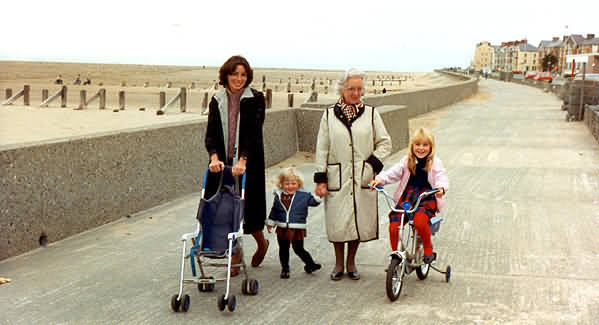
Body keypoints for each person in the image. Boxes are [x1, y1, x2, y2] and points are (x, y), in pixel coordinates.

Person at [314, 68, 392, 281]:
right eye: (351, 89)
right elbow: (322, 148)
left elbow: (385, 143)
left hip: (362, 177)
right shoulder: (329, 115)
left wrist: (371, 165)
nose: (356, 93)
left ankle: (351, 262)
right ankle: (339, 263)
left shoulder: (371, 114)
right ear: (342, 89)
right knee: (338, 222)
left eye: (359, 89)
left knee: (358, 221)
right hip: (337, 177)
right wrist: (320, 179)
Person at [204, 55, 268, 276]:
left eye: (243, 74)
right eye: (234, 74)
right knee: (226, 210)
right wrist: (213, 156)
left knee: (251, 212)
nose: (239, 78)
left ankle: (261, 243)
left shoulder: (256, 98)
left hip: (248, 161)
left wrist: (243, 159)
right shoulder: (217, 99)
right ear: (226, 75)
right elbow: (211, 131)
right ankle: (235, 254)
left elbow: (254, 132)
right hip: (223, 163)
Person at [370, 128, 449, 264]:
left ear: (431, 147)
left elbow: (441, 177)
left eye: (425, 145)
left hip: (426, 196)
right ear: (412, 146)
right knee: (395, 222)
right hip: (409, 195)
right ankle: (396, 253)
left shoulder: (435, 162)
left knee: (419, 221)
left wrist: (441, 188)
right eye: (417, 145)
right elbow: (392, 173)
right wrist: (380, 179)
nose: (421, 148)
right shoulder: (407, 160)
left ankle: (428, 249)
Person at [266, 168, 322, 279]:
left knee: (299, 248)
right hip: (282, 227)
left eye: (293, 183)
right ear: (281, 184)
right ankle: (285, 269)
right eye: (287, 183)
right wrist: (270, 223)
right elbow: (275, 210)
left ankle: (310, 264)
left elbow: (314, 202)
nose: (290, 186)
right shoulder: (279, 196)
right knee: (283, 249)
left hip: (297, 228)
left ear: (299, 184)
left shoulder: (303, 196)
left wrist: (318, 195)